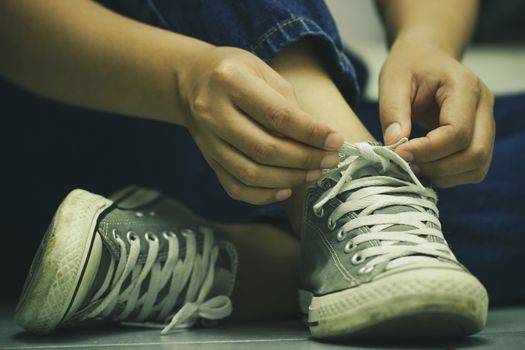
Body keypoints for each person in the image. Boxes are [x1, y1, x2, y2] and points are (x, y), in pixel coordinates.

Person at [0, 0, 508, 340]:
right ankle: (348, 202)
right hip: (82, 102)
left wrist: (428, 41)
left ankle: (240, 260)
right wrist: (181, 80)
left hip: (245, 138)